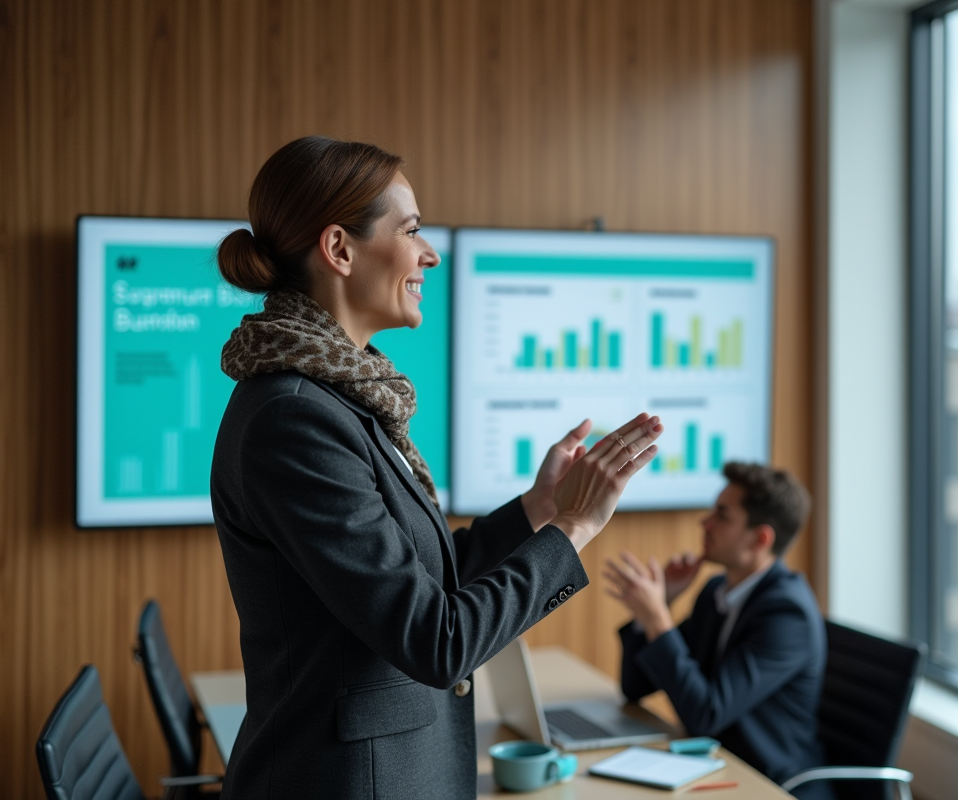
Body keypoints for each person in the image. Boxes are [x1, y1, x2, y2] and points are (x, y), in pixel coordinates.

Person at [210, 135, 663, 800]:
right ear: (338, 249)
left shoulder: (338, 398)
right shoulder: (295, 419)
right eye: (413, 230)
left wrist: (538, 509)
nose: (431, 254)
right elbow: (436, 639)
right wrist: (572, 529)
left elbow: (415, 582)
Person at [604, 462, 832, 799]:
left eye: (722, 516)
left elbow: (706, 715)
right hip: (716, 770)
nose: (704, 523)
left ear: (761, 538)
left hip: (771, 784)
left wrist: (657, 619)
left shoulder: (787, 615)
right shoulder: (716, 591)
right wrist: (659, 607)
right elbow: (635, 687)